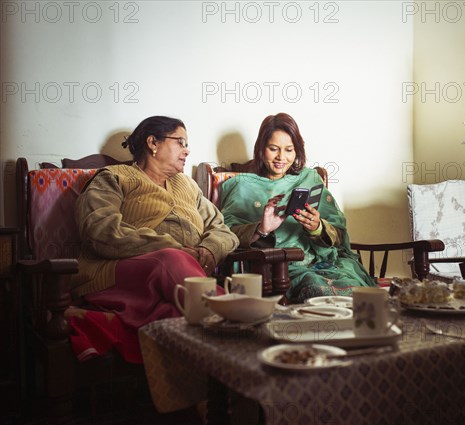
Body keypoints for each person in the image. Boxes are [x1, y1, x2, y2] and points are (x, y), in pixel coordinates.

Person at [70, 115, 239, 362]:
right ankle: (235, 317)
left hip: (179, 281)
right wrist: (174, 248)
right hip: (115, 274)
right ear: (153, 143)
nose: (187, 150)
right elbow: (99, 229)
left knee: (177, 316)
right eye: (181, 142)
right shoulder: (114, 177)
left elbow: (223, 230)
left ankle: (202, 395)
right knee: (169, 260)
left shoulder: (188, 186)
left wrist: (208, 251)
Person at [219, 113, 375, 303]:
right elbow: (226, 236)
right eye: (273, 149)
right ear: (261, 149)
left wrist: (317, 227)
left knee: (360, 295)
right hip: (278, 267)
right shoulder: (241, 185)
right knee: (317, 290)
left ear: (297, 151)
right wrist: (262, 229)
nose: (281, 157)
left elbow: (339, 232)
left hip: (324, 262)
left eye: (289, 150)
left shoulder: (310, 179)